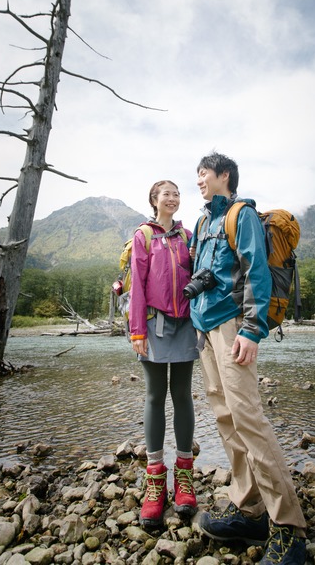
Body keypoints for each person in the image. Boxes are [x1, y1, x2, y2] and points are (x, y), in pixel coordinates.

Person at [188, 152, 307, 565]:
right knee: (225, 418)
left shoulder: (242, 215)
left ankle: (289, 527)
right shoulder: (203, 222)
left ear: (224, 175)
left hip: (233, 327)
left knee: (248, 419)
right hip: (205, 331)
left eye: (204, 172)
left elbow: (256, 270)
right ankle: (249, 509)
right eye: (197, 173)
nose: (198, 178)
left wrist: (253, 329)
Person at [127, 179, 199, 529]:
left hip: (185, 324)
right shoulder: (143, 236)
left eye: (176, 193)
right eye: (165, 194)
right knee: (155, 396)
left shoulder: (187, 237)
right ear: (154, 200)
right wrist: (136, 330)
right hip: (153, 325)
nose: (172, 197)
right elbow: (137, 286)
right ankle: (155, 481)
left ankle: (184, 478)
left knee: (182, 394)